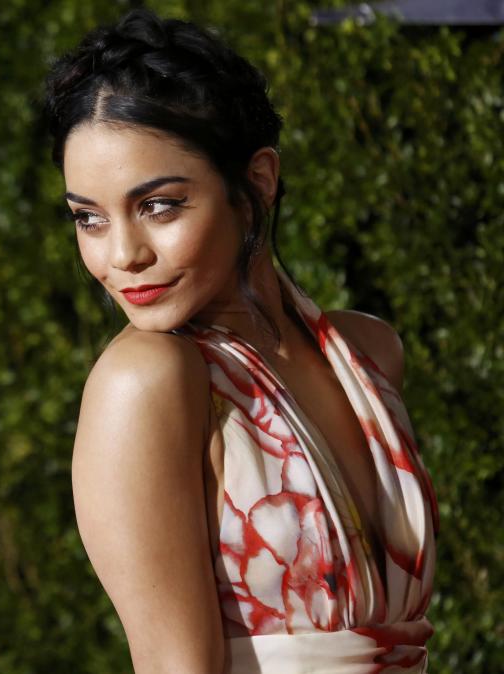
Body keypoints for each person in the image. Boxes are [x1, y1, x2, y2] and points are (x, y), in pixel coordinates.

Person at [42, 8, 439, 673]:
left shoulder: (367, 353)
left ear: (256, 182)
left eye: (159, 205)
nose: (122, 255)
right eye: (88, 218)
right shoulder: (146, 379)